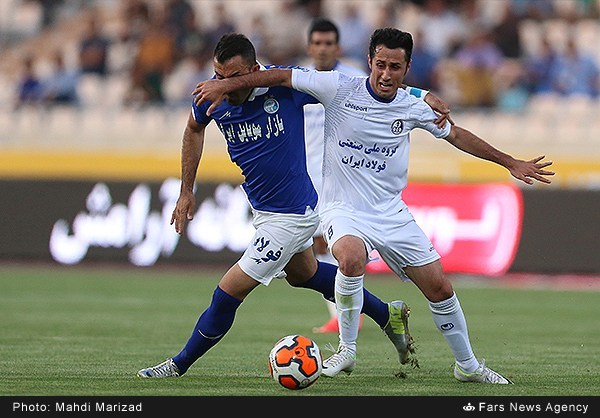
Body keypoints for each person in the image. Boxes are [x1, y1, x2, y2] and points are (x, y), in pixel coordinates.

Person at [192, 28, 555, 384]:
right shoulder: (339, 87)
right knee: (349, 258)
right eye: (380, 64)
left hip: (390, 211)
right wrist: (225, 85)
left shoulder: (412, 106)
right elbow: (280, 76)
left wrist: (509, 161)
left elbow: (456, 134)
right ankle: (346, 351)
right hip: (341, 206)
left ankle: (468, 366)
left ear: (406, 68)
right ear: (369, 61)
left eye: (394, 67)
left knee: (440, 288)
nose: (385, 73)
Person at [136, 33, 449, 378]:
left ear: (254, 70)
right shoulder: (213, 94)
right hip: (264, 209)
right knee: (306, 275)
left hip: (294, 216)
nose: (224, 85)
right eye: (219, 76)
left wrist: (421, 94)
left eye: (234, 78)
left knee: (227, 293)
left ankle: (177, 365)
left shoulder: (282, 87)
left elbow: (361, 86)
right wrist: (186, 191)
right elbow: (194, 128)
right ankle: (387, 313)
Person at [302, 18, 367, 334]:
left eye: (329, 43)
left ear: (338, 46)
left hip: (345, 178)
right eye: (318, 43)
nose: (324, 48)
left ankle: (350, 309)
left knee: (340, 245)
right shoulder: (299, 78)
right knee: (316, 248)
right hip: (308, 177)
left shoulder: (355, 78)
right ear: (309, 46)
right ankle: (344, 311)